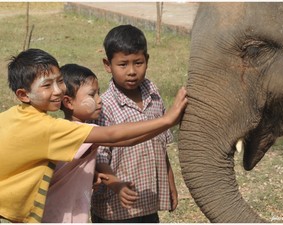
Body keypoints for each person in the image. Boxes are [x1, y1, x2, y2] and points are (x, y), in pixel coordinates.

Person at [0, 48, 187, 223]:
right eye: (47, 85)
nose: (57, 90)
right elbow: (115, 136)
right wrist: (167, 120)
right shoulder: (48, 128)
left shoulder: (14, 115)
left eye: (59, 81)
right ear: (23, 95)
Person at [90, 24, 179, 223]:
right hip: (114, 208)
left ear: (147, 60)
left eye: (138, 63)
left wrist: (171, 184)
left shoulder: (154, 98)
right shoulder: (104, 107)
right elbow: (100, 157)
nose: (131, 71)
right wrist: (117, 185)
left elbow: (162, 147)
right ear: (107, 65)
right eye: (123, 64)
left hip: (148, 201)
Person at [42, 63, 108, 223]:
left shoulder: (59, 129)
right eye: (92, 95)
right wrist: (165, 121)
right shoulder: (83, 132)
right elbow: (121, 137)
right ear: (69, 102)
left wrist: (91, 175)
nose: (100, 100)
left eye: (98, 93)